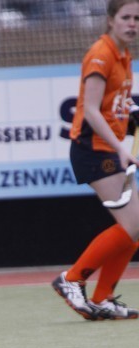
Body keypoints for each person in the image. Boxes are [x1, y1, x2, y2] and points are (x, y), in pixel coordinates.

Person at [52, 0, 139, 320]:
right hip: (92, 149)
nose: (132, 24)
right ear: (111, 20)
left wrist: (132, 115)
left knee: (134, 227)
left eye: (137, 18)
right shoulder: (101, 54)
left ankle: (102, 298)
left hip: (107, 148)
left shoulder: (124, 55)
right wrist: (121, 147)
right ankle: (72, 278)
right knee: (132, 225)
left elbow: (112, 104)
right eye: (126, 17)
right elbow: (89, 110)